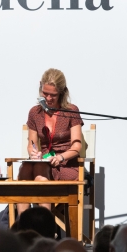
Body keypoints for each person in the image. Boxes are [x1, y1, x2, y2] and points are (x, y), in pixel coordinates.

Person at [17, 68, 83, 214]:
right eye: (45, 93)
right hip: (44, 161)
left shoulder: (71, 110)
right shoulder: (35, 112)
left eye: (53, 95)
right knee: (25, 169)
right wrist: (33, 153)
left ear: (62, 92)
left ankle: (44, 223)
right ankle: (23, 223)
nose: (48, 98)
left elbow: (77, 145)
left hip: (66, 164)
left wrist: (60, 157)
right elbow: (31, 144)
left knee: (39, 171)